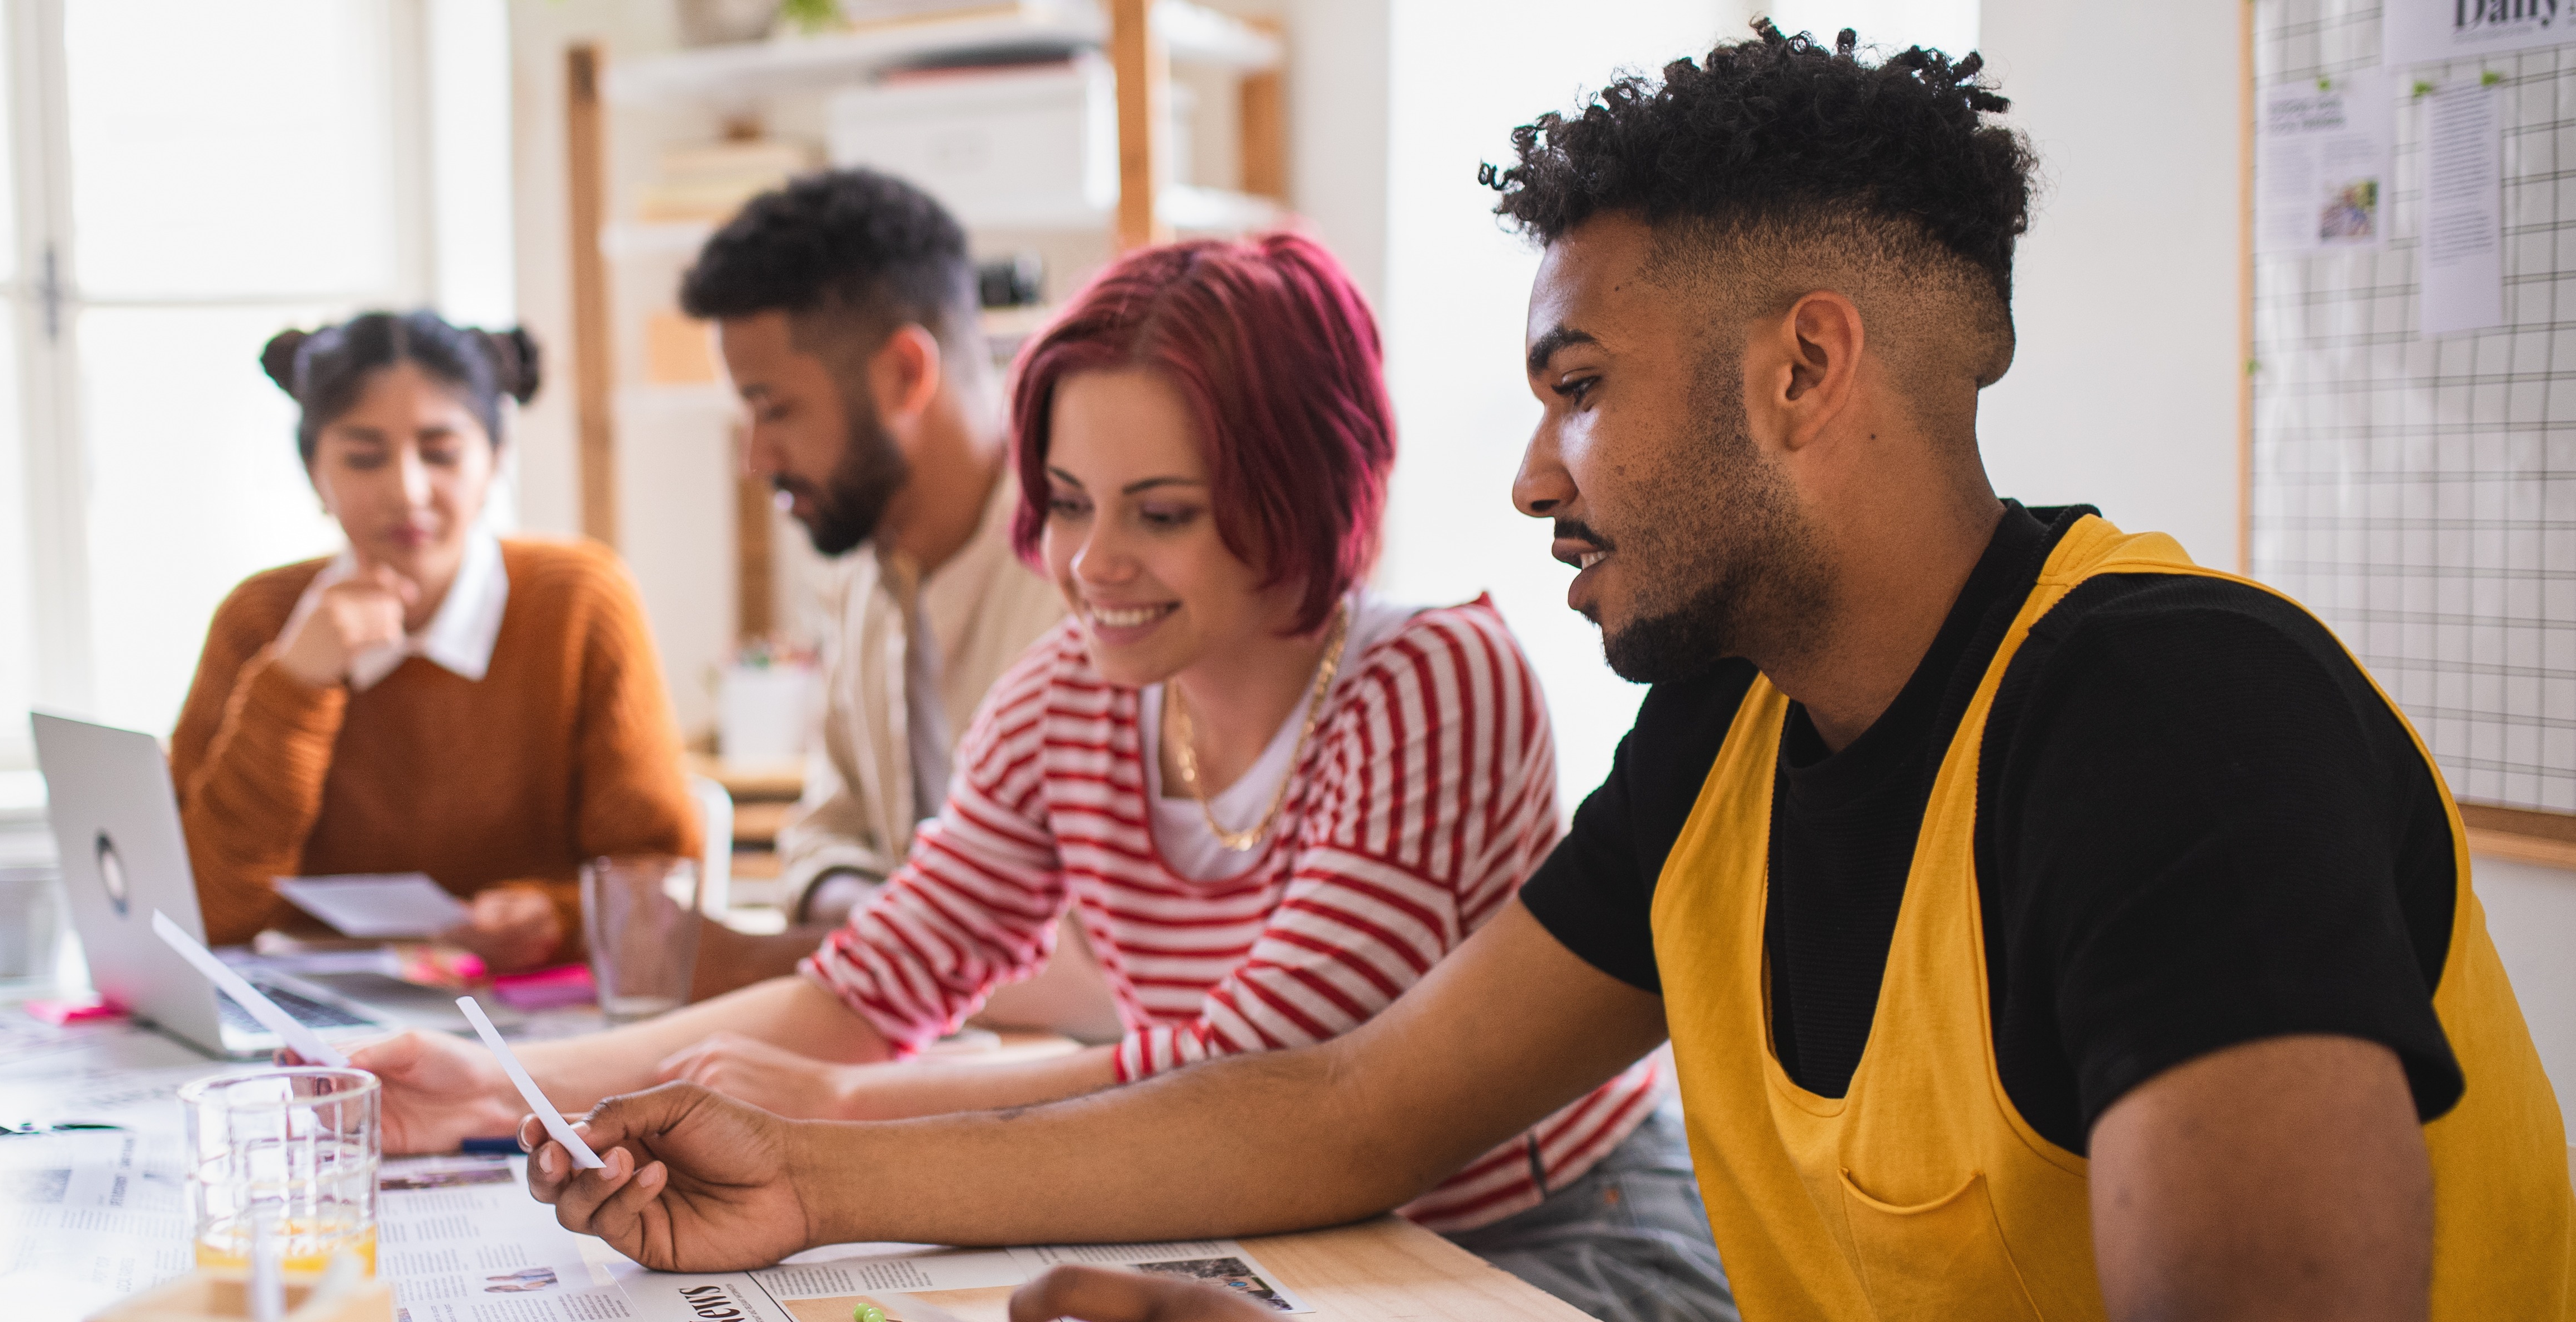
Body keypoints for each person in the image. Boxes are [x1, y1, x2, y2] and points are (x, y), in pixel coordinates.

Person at [512, 25, 2575, 1322]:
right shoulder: (1729, 732)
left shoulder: (2166, 718)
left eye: (1575, 389)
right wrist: (818, 1175)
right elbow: (1345, 1108)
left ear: (1800, 371)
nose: (1520, 471)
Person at [354, 233, 1718, 1317]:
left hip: (1540, 1237)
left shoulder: (1431, 681)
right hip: (1260, 1224)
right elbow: (864, 984)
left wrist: (831, 1121)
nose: (1090, 566)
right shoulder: (1075, 690)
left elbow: (1262, 1070)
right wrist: (491, 1088)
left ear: (1310, 489)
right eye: (1067, 501)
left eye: (1162, 513)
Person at [672, 169, 1095, 1028]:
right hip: (912, 1057)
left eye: (775, 407)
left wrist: (850, 945)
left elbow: (1101, 970)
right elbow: (826, 830)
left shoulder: (1095, 584)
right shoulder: (865, 572)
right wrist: (871, 917)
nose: (756, 457)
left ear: (905, 373)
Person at [171, 311, 701, 972]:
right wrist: (294, 684)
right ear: (315, 474)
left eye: (442, 453)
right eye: (364, 458)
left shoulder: (580, 600)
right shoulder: (258, 620)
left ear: (495, 463)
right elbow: (204, 913)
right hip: (313, 1034)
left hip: (529, 1022)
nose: (407, 491)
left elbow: (656, 883)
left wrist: (555, 914)